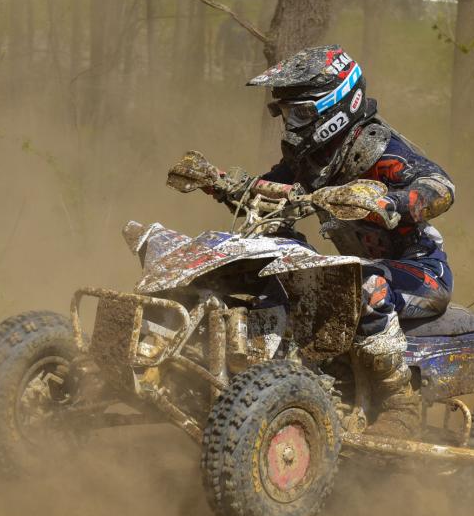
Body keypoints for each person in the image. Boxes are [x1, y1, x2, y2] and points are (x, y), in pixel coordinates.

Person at [184, 45, 456, 439]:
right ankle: (258, 378)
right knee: (275, 266)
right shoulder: (310, 157)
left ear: (336, 105)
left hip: (420, 272)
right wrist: (220, 182)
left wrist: (392, 202)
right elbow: (268, 192)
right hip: (354, 266)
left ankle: (400, 402)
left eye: (300, 113)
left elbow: (442, 187)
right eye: (286, 114)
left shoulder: (379, 150)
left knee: (363, 284)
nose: (291, 125)